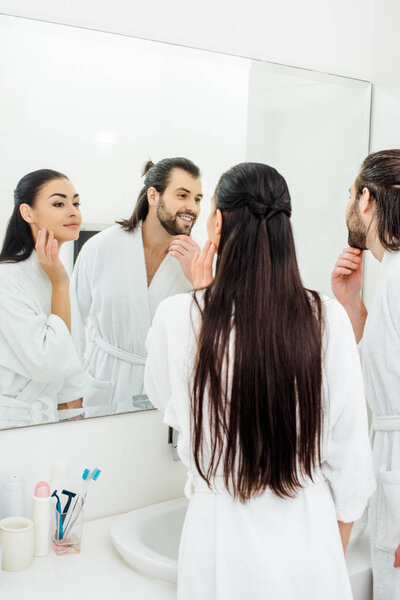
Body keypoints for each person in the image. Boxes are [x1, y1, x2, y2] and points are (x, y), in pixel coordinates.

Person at [144, 162, 375, 600]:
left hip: (218, 544)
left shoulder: (179, 318)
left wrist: (200, 301)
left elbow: (166, 401)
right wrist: (326, 557)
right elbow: (351, 467)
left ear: (216, 224)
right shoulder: (328, 319)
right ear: (285, 227)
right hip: (310, 541)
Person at [71, 157, 203, 416]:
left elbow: (220, 334)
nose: (192, 207)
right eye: (183, 195)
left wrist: (199, 282)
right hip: (106, 386)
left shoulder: (200, 260)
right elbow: (74, 318)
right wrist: (70, 390)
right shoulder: (101, 247)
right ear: (153, 195)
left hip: (168, 393)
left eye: (198, 199)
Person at [332, 149, 400, 600]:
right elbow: (381, 372)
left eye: (350, 194)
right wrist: (353, 304)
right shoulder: (390, 273)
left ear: (367, 199)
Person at [0, 169, 87, 428]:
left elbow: (72, 351)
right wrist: (60, 285)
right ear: (27, 213)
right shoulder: (7, 277)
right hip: (13, 424)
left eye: (76, 202)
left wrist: (72, 404)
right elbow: (49, 362)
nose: (73, 211)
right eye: (59, 203)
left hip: (50, 420)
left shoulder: (57, 272)